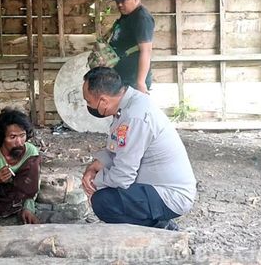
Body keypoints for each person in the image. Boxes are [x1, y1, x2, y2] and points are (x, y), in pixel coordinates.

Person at [81, 67, 196, 230]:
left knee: (103, 201)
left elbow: (122, 177)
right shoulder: (127, 104)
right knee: (106, 192)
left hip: (170, 195)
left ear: (104, 101)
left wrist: (94, 182)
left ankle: (159, 228)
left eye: (88, 101)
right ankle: (157, 222)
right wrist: (94, 166)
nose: (88, 105)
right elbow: (117, 149)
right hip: (153, 186)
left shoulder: (135, 117)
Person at [108, 0, 155, 93]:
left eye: (123, 0)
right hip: (121, 78)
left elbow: (146, 50)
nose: (119, 4)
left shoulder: (142, 18)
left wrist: (140, 82)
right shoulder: (127, 15)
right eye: (117, 1)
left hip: (132, 81)